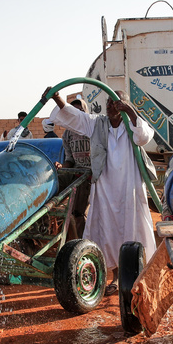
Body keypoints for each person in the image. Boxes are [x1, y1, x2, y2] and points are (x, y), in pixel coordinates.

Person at [47, 88, 157, 293]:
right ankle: (114, 277)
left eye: (115, 102)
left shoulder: (133, 125)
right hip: (105, 187)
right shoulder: (97, 123)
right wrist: (58, 99)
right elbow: (76, 117)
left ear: (124, 104)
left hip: (129, 186)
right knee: (107, 230)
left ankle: (137, 275)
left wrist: (131, 112)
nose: (110, 106)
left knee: (132, 229)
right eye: (108, 102)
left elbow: (143, 137)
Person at [60, 97, 92, 239]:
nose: (77, 116)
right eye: (74, 112)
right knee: (75, 212)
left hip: (95, 175)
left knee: (81, 212)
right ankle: (78, 241)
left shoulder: (92, 128)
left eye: (80, 112)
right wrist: (62, 168)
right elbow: (69, 160)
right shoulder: (67, 134)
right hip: (80, 175)